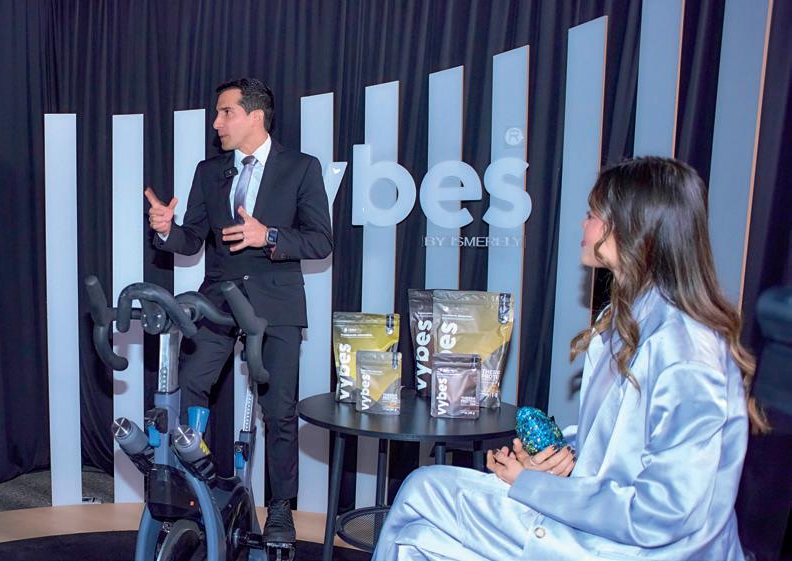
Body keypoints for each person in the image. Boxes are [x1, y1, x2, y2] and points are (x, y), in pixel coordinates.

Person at [372, 156, 770, 561]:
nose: (584, 224)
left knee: (422, 494)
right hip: (604, 521)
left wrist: (533, 484)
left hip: (640, 548)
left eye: (593, 214)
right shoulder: (626, 318)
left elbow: (663, 514)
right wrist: (558, 457)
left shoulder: (686, 348)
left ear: (633, 228)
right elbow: (617, 445)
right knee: (417, 535)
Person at [145, 77, 333, 544]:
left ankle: (282, 508)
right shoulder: (209, 171)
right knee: (192, 382)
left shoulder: (301, 168)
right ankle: (198, 484)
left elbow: (320, 241)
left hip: (277, 301)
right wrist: (166, 230)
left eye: (225, 112)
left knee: (280, 408)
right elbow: (191, 239)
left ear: (255, 115)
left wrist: (269, 236)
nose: (217, 122)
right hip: (219, 298)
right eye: (217, 113)